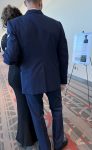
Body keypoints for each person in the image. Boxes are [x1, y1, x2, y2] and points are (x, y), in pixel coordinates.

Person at [3, 0, 69, 149]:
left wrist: (5, 53)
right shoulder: (56, 24)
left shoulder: (15, 24)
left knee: (37, 115)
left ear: (25, 3)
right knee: (57, 110)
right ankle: (58, 143)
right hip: (53, 77)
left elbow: (11, 57)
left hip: (30, 78)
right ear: (41, 2)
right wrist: (63, 80)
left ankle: (44, 146)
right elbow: (63, 56)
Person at [1, 5, 37, 147]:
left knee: (25, 105)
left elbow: (8, 55)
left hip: (16, 75)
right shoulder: (21, 34)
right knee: (25, 105)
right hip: (22, 74)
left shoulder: (6, 37)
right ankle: (26, 137)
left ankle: (28, 134)